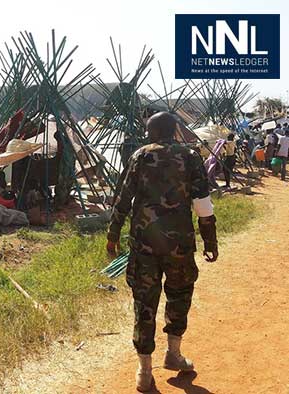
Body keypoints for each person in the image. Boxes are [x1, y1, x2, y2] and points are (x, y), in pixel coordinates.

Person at [106, 112, 218, 392]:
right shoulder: (191, 156)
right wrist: (210, 240)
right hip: (179, 244)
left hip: (143, 244)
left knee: (144, 303)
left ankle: (144, 372)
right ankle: (174, 354)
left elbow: (123, 198)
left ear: (153, 132)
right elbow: (202, 203)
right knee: (179, 296)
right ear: (174, 130)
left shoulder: (140, 156)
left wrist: (113, 234)